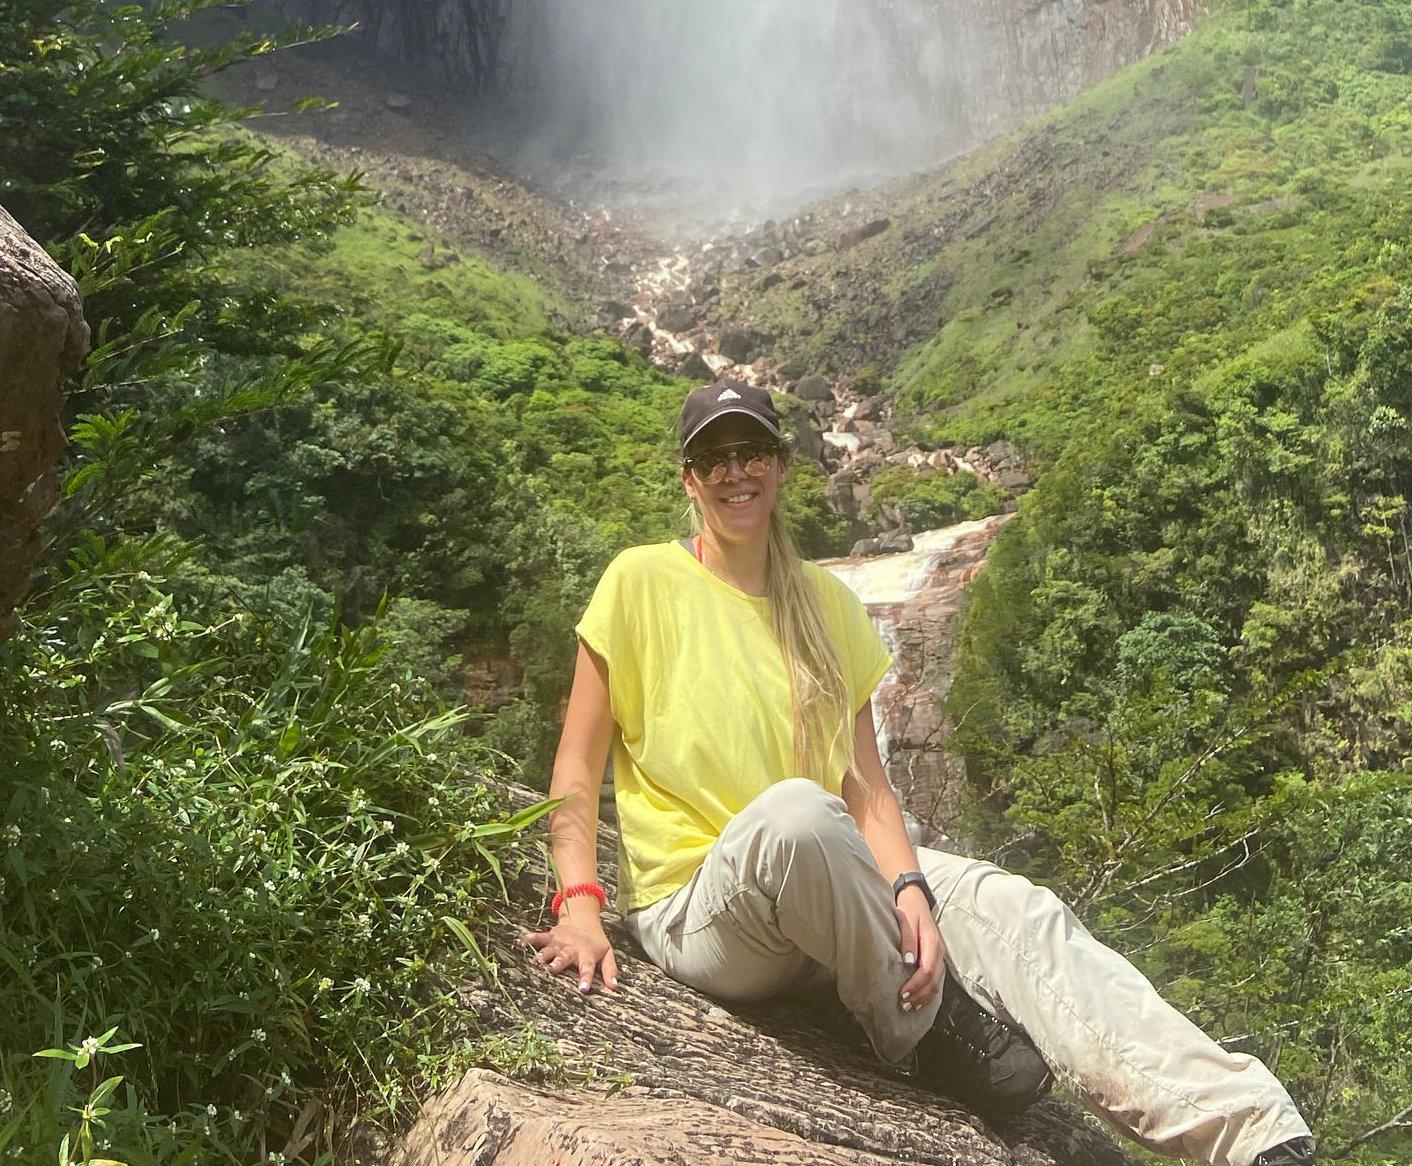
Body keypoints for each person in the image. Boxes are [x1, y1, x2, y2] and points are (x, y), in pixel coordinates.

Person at [524, 378, 1316, 1166]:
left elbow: (866, 787)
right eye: (715, 458)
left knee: (1012, 907)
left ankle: (1251, 1132)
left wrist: (910, 892)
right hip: (706, 909)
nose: (736, 472)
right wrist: (582, 907)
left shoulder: (827, 604)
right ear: (689, 478)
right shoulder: (639, 580)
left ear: (782, 465)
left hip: (833, 897)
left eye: (752, 451)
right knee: (797, 814)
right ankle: (928, 1031)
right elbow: (576, 762)